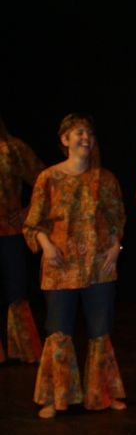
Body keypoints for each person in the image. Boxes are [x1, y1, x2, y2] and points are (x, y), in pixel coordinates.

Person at [23, 114, 126, 419]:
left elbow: (117, 219)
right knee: (58, 330)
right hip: (61, 265)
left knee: (100, 330)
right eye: (79, 133)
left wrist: (116, 248)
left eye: (89, 133)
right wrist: (45, 244)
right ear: (64, 140)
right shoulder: (48, 178)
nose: (85, 138)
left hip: (99, 265)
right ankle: (56, 397)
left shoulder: (105, 179)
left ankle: (102, 394)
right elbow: (32, 223)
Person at [0, 117, 45, 363]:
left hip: (9, 230)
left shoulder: (13, 148)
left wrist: (28, 211)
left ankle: (22, 348)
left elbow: (43, 179)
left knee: (15, 289)